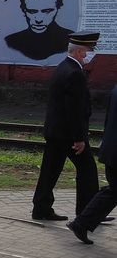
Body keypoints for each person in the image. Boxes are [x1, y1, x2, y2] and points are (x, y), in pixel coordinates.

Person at [33, 32, 101, 220]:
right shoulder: (75, 74)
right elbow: (74, 110)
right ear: (80, 52)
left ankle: (41, 208)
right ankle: (89, 213)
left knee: (50, 171)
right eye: (89, 50)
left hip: (56, 131)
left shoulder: (63, 67)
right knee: (87, 170)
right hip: (68, 135)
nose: (91, 54)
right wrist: (79, 138)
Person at [68, 80, 117, 243]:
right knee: (113, 191)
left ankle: (81, 223)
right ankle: (81, 223)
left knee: (113, 191)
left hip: (111, 148)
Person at [5, 0, 73, 61]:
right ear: (23, 10)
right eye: (32, 11)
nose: (39, 19)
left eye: (47, 11)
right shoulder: (11, 42)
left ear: (58, 9)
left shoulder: (72, 41)